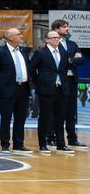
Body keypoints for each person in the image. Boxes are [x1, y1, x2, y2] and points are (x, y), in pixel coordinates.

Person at [29, 30, 72, 154]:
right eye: (53, 38)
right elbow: (32, 69)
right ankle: (43, 145)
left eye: (57, 38)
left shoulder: (63, 52)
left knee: (60, 118)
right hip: (46, 89)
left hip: (61, 89)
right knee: (44, 117)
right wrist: (39, 82)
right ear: (47, 40)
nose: (56, 39)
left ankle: (61, 145)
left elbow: (64, 69)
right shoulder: (40, 52)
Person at [0, 27, 31, 152]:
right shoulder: (0, 52)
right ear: (10, 37)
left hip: (23, 89)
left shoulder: (23, 51)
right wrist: (4, 85)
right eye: (19, 34)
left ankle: (19, 144)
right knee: (6, 118)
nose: (21, 36)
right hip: (7, 90)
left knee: (21, 118)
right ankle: (5, 144)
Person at [52, 18, 86, 148]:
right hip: (59, 81)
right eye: (64, 26)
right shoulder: (53, 44)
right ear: (56, 29)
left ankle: (72, 139)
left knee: (71, 112)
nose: (67, 29)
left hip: (72, 81)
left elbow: (81, 60)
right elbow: (58, 60)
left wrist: (69, 60)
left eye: (67, 26)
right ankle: (52, 137)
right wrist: (72, 59)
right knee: (57, 112)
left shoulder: (72, 44)